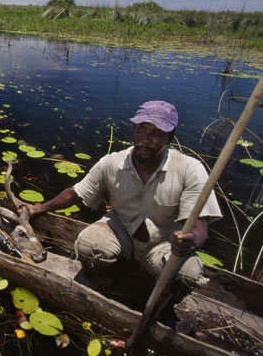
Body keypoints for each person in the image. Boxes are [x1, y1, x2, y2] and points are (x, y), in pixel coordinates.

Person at [21, 100, 222, 287]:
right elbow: (77, 192)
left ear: (170, 136)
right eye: (141, 131)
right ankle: (108, 278)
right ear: (134, 131)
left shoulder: (189, 169)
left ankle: (162, 298)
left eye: (156, 133)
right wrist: (39, 208)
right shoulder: (112, 162)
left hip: (164, 242)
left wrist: (189, 242)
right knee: (88, 245)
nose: (145, 140)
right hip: (122, 230)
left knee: (188, 273)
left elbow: (199, 228)